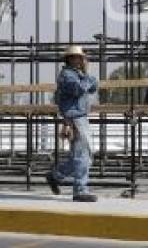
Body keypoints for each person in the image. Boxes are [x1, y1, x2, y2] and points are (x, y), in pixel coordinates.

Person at [46, 45, 98, 202]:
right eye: (79, 57)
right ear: (71, 59)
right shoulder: (67, 75)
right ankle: (80, 190)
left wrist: (87, 75)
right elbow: (78, 89)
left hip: (80, 117)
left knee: (84, 155)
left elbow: (93, 87)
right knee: (82, 155)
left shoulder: (78, 74)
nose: (82, 60)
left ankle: (56, 175)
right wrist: (88, 78)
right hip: (75, 118)